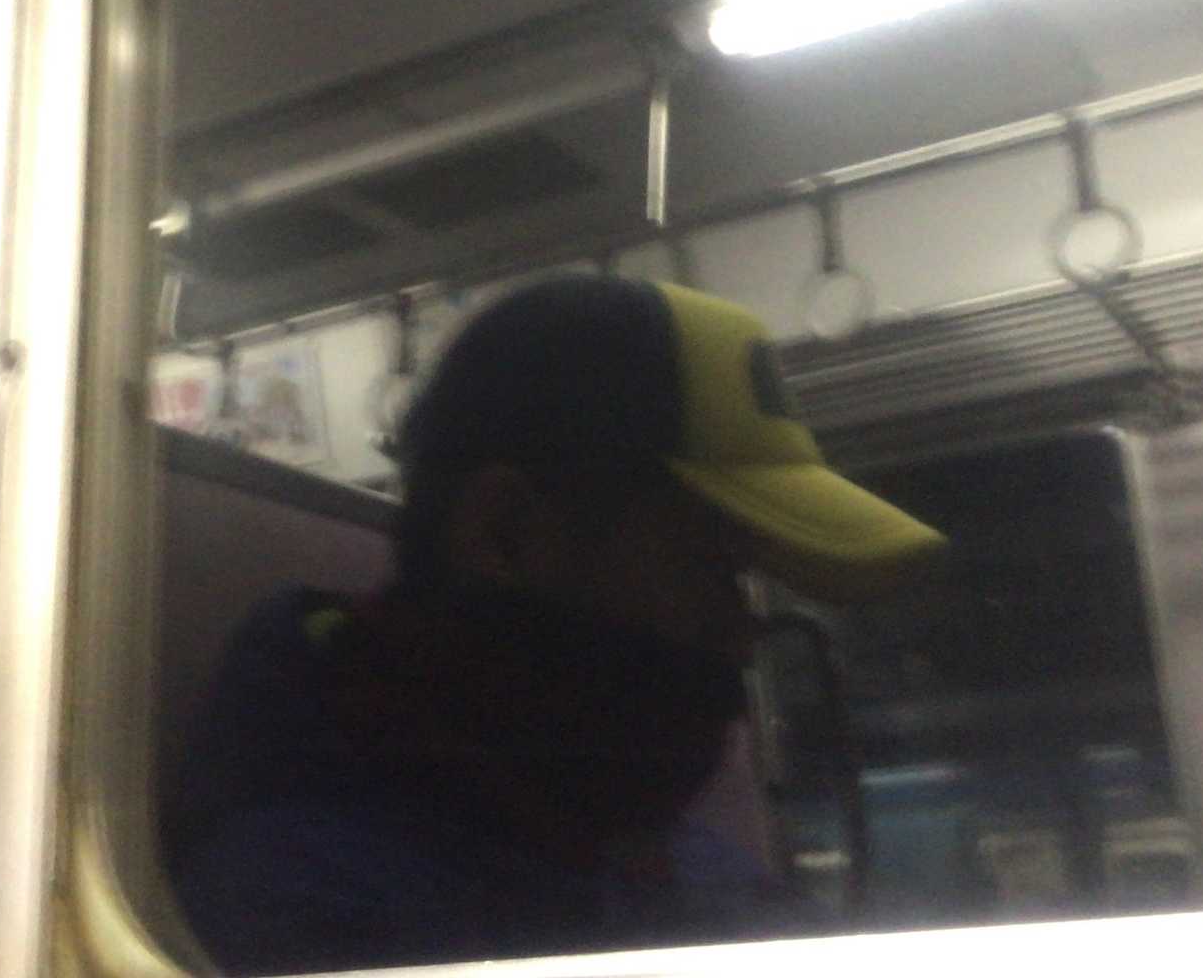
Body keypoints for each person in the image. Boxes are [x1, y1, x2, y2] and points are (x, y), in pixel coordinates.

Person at [163, 275, 946, 974]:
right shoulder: (302, 913)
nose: (742, 638)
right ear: (504, 533)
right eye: (711, 567)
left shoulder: (629, 838)